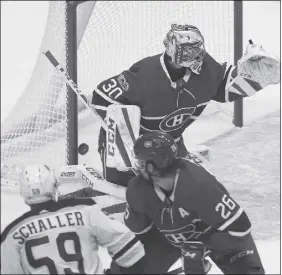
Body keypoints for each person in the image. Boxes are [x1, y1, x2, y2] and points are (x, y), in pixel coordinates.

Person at [92, 23, 279, 188]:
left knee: (186, 190)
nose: (197, 56)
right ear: (173, 50)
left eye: (198, 50)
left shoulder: (206, 69)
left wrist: (251, 76)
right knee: (132, 188)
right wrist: (125, 143)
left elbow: (223, 89)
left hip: (169, 144)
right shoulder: (145, 75)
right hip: (132, 147)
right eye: (189, 51)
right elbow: (101, 96)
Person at [110, 131, 265, 274]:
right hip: (170, 238)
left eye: (141, 162)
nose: (138, 166)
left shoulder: (199, 184)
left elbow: (241, 228)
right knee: (127, 263)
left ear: (152, 166)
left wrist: (201, 248)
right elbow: (139, 234)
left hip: (217, 235)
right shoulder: (137, 189)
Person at [1, 164, 145, 274]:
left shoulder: (11, 235)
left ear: (23, 194)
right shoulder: (84, 210)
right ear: (54, 185)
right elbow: (131, 249)